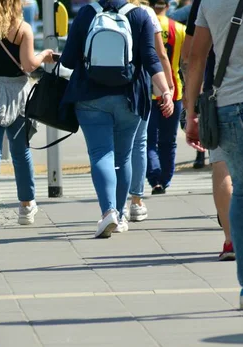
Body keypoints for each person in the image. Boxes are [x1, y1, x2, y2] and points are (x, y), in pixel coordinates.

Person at [185, 0, 243, 315]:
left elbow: (196, 57)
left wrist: (190, 113)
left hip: (226, 104)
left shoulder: (211, 1)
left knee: (242, 190)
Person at [61, 0, 173, 238]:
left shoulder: (86, 14)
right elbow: (151, 58)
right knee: (124, 156)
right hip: (130, 98)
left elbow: (68, 61)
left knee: (101, 154)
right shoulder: (140, 15)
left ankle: (108, 211)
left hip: (90, 98)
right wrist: (165, 91)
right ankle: (121, 215)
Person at [0, 0, 52, 229]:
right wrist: (44, 55)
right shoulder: (23, 28)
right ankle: (25, 206)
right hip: (17, 95)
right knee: (21, 153)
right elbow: (28, 65)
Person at [181, 0, 234, 261]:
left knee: (222, 165)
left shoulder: (206, 1)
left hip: (220, 95)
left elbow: (193, 55)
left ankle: (232, 240)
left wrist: (190, 107)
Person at [127, 0, 174, 223]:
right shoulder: (145, 12)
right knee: (139, 143)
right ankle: (136, 201)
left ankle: (112, 206)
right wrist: (168, 87)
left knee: (109, 149)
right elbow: (158, 54)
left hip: (102, 87)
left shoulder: (99, 9)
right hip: (138, 87)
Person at [145, 0, 185, 195]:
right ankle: (166, 178)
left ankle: (154, 179)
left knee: (149, 139)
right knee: (169, 140)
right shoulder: (179, 29)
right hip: (173, 88)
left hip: (148, 89)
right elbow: (186, 60)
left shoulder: (143, 21)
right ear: (168, 6)